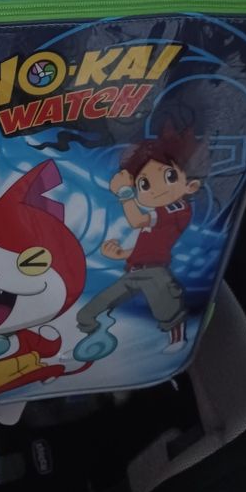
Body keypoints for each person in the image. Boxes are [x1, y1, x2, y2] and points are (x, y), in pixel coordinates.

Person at [77, 123, 205, 353]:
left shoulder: (176, 209)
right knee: (94, 307)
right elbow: (147, 246)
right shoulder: (158, 216)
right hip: (133, 270)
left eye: (169, 176)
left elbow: (137, 221)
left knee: (167, 308)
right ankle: (94, 333)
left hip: (155, 272)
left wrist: (125, 193)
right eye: (144, 184)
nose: (154, 189)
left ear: (191, 186)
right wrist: (121, 254)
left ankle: (177, 339)